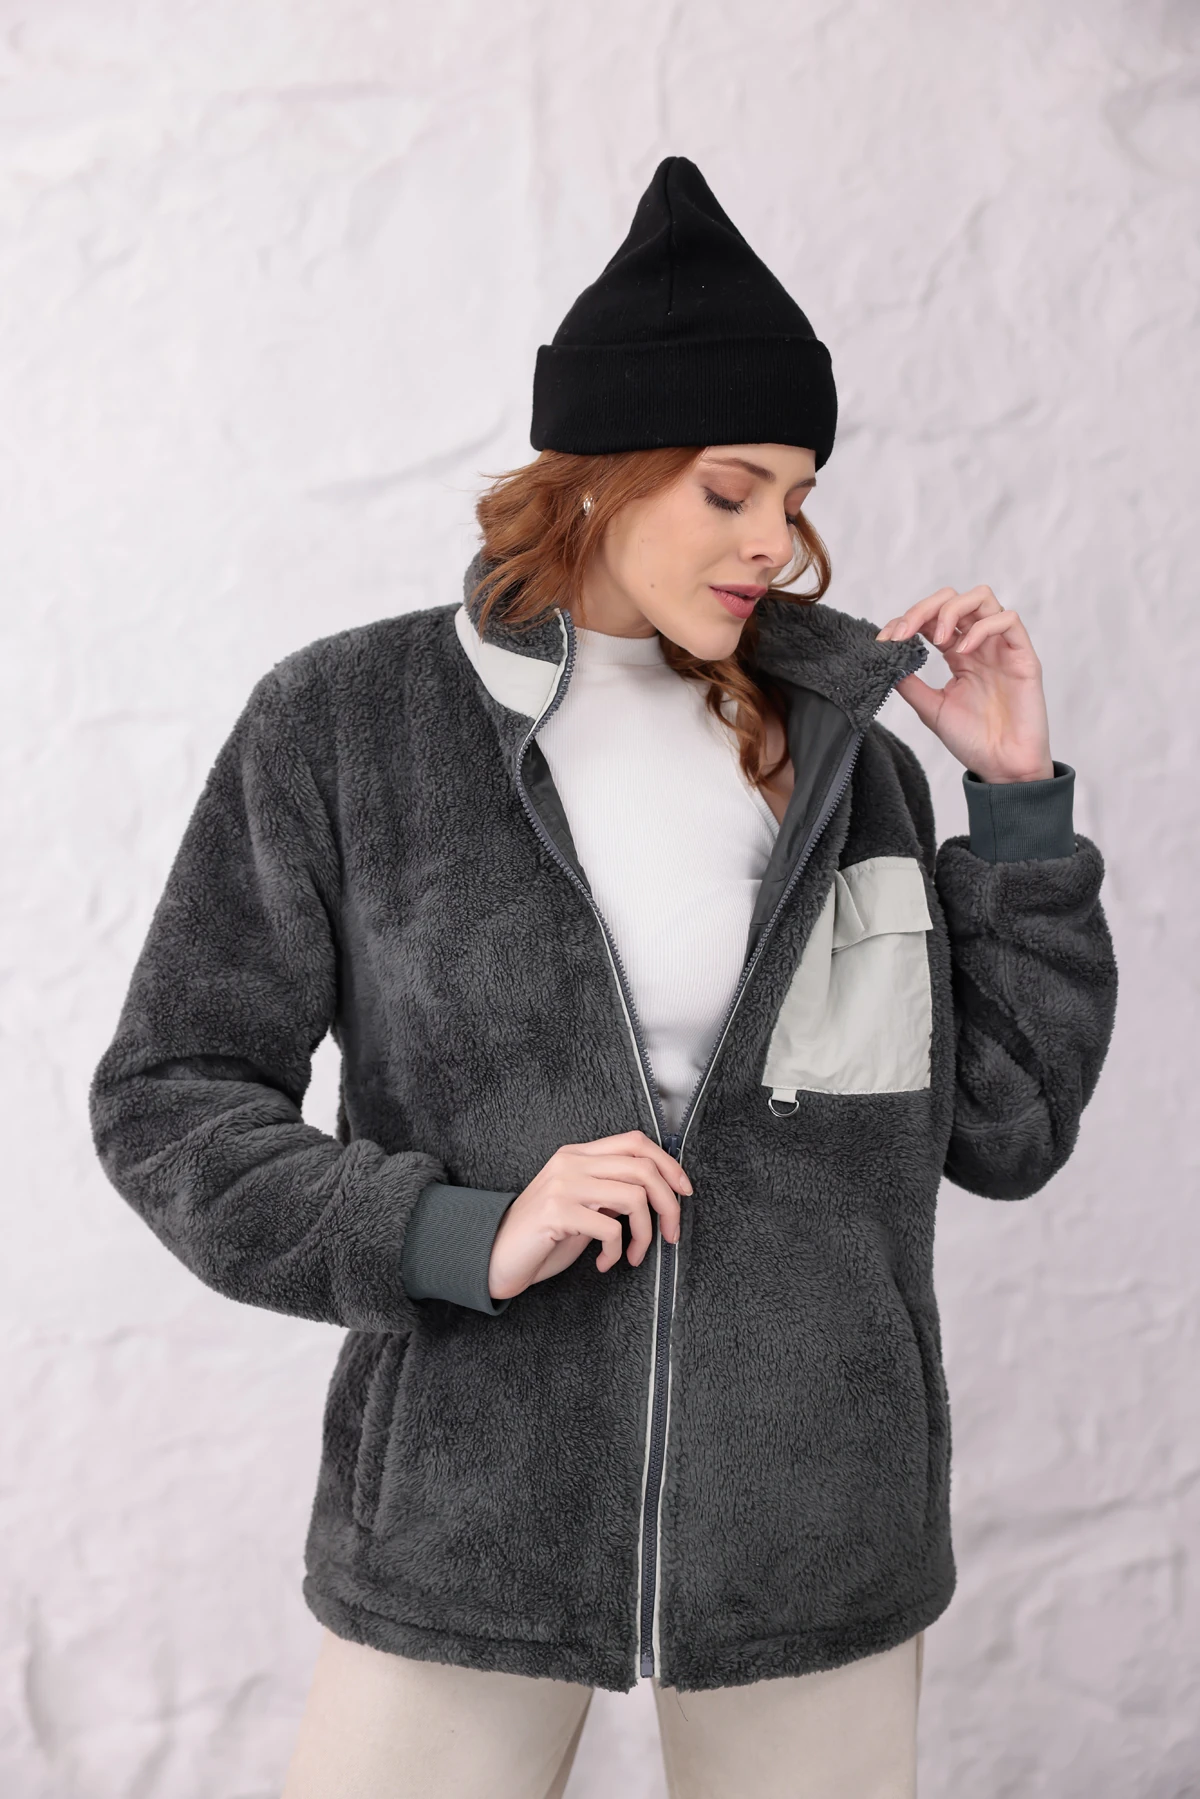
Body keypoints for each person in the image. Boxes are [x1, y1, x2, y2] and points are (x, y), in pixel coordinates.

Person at [89, 157, 1118, 1798]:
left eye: (796, 496)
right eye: (729, 489)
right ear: (597, 475)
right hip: (466, 1518)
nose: (776, 543)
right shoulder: (348, 727)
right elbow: (170, 1097)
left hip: (812, 1531)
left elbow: (1006, 1124)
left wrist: (1014, 807)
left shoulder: (849, 770)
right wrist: (453, 1230)